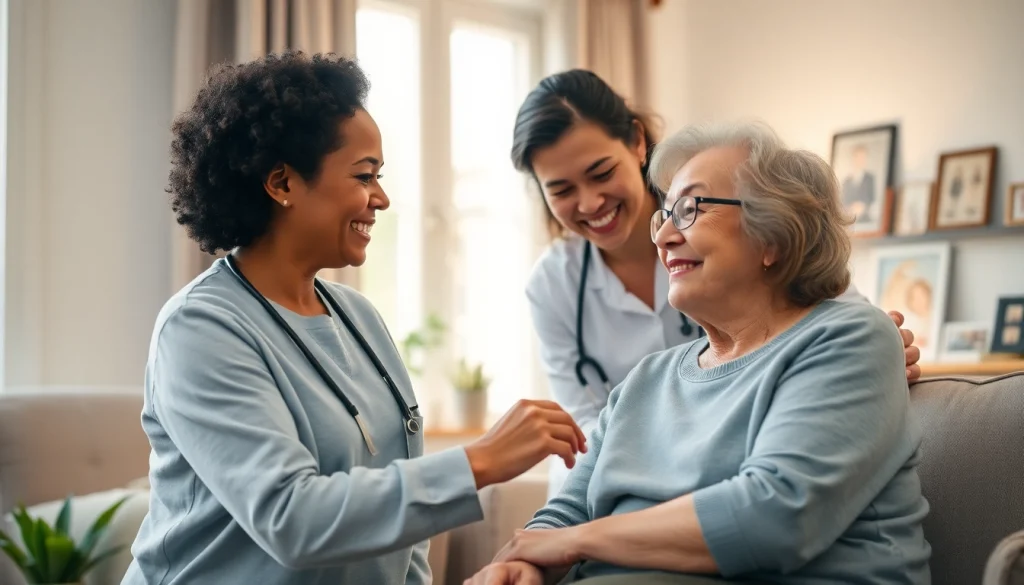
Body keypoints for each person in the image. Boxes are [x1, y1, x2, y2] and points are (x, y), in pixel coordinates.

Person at [121, 52, 587, 585]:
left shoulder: (359, 317)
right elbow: (291, 519)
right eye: (365, 175)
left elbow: (401, 532)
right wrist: (480, 460)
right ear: (283, 184)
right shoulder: (201, 329)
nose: (382, 198)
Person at [468, 121, 931, 585]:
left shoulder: (847, 337)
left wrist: (573, 542)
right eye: (665, 215)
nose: (663, 236)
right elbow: (569, 509)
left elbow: (776, 517)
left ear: (774, 235)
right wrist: (519, 564)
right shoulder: (647, 378)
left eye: (689, 209)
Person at [510, 69, 923, 500]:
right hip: (618, 486)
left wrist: (873, 346)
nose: (590, 202)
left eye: (600, 173)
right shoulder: (553, 283)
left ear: (636, 142)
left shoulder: (740, 224)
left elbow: (830, 303)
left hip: (730, 481)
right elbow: (587, 430)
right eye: (561, 190)